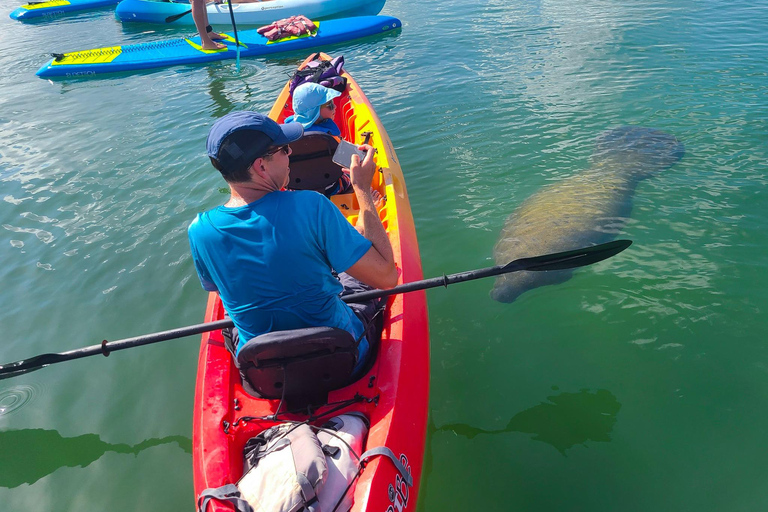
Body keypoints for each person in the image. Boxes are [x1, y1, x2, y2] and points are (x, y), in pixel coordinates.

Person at [187, 111, 398, 376]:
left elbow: (226, 291)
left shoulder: (199, 230)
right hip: (344, 358)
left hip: (264, 372)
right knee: (355, 279)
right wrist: (362, 190)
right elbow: (388, 277)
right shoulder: (312, 206)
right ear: (260, 167)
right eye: (285, 150)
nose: (291, 156)